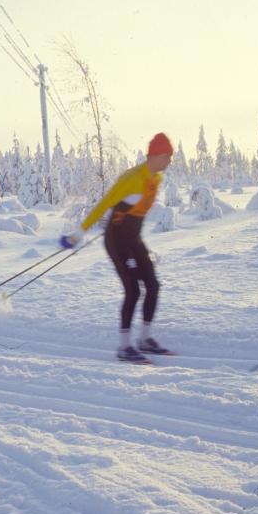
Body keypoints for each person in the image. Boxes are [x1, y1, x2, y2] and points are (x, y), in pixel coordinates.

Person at [60, 133, 174, 364]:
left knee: (153, 285)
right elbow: (103, 205)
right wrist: (77, 235)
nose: (169, 161)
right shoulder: (131, 179)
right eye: (167, 156)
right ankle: (124, 348)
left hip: (134, 240)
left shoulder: (156, 179)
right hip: (116, 241)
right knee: (133, 290)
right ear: (155, 155)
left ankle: (144, 340)